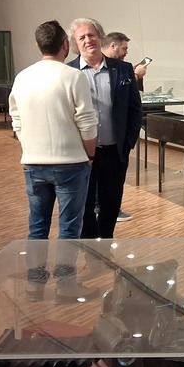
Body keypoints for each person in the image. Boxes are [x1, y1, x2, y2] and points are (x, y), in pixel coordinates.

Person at [10, 20, 98, 300]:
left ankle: (34, 286)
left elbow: (16, 119)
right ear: (65, 45)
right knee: (69, 227)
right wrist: (90, 153)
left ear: (38, 45)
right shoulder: (73, 76)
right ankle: (65, 286)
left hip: (33, 163)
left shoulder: (23, 77)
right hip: (71, 163)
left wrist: (30, 147)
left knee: (37, 228)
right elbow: (87, 121)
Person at [68, 18, 143, 239]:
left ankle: (105, 243)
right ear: (75, 43)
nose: (88, 40)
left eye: (91, 35)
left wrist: (128, 143)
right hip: (82, 154)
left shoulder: (123, 69)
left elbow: (135, 109)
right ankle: (90, 246)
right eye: (82, 37)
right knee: (85, 205)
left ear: (100, 36)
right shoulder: (68, 72)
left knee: (111, 204)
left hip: (114, 151)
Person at [102, 31, 148, 222]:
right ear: (113, 46)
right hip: (95, 140)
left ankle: (112, 210)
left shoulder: (124, 68)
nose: (126, 52)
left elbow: (134, 104)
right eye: (124, 48)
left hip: (119, 141)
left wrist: (130, 139)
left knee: (115, 181)